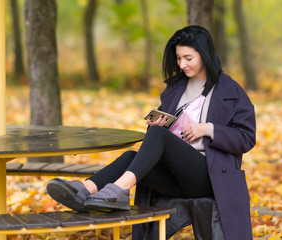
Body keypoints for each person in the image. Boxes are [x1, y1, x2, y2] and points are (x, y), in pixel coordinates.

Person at [47, 25, 256, 240]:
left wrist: (208, 129)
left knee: (157, 135)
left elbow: (247, 138)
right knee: (132, 155)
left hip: (207, 177)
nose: (182, 64)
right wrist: (159, 123)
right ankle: (84, 190)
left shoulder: (230, 91)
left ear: (204, 55)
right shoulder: (176, 87)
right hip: (175, 177)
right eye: (178, 58)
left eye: (188, 58)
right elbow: (162, 135)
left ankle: (118, 190)